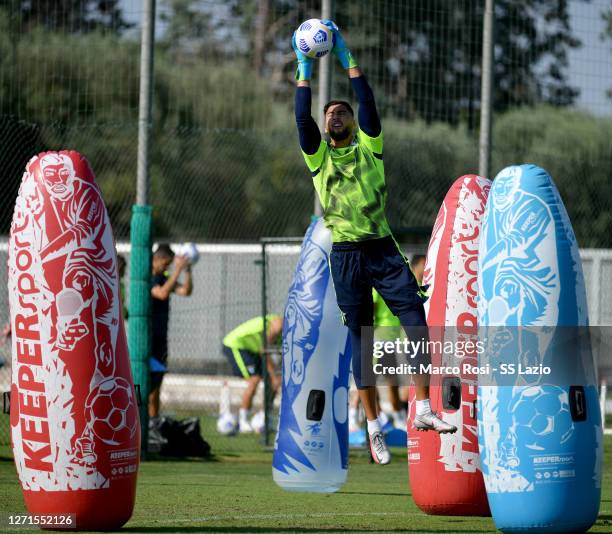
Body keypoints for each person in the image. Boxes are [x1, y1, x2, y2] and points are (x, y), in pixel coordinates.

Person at [292, 22, 456, 465]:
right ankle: (372, 426)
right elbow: (300, 117)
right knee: (361, 343)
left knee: (417, 322)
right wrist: (304, 68)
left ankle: (422, 407)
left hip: (382, 248)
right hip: (345, 256)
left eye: (341, 111)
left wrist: (346, 56)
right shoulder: (319, 157)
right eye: (330, 114)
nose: (336, 115)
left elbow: (366, 100)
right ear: (325, 126)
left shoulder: (370, 148)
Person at [149, 243, 193, 421]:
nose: (166, 268)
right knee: (141, 384)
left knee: (157, 386)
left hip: (161, 339)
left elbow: (186, 291)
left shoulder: (164, 277)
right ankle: (135, 418)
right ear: (156, 259)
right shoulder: (147, 278)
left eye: (169, 265)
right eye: (165, 264)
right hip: (146, 341)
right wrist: (176, 271)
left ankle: (153, 423)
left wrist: (187, 270)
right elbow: (161, 294)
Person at [222, 315, 283, 433]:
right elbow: (264, 350)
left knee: (273, 383)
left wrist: (276, 376)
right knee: (254, 380)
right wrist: (274, 375)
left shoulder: (296, 332)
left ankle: (264, 417)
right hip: (238, 345)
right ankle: (243, 420)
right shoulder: (279, 324)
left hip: (255, 350)